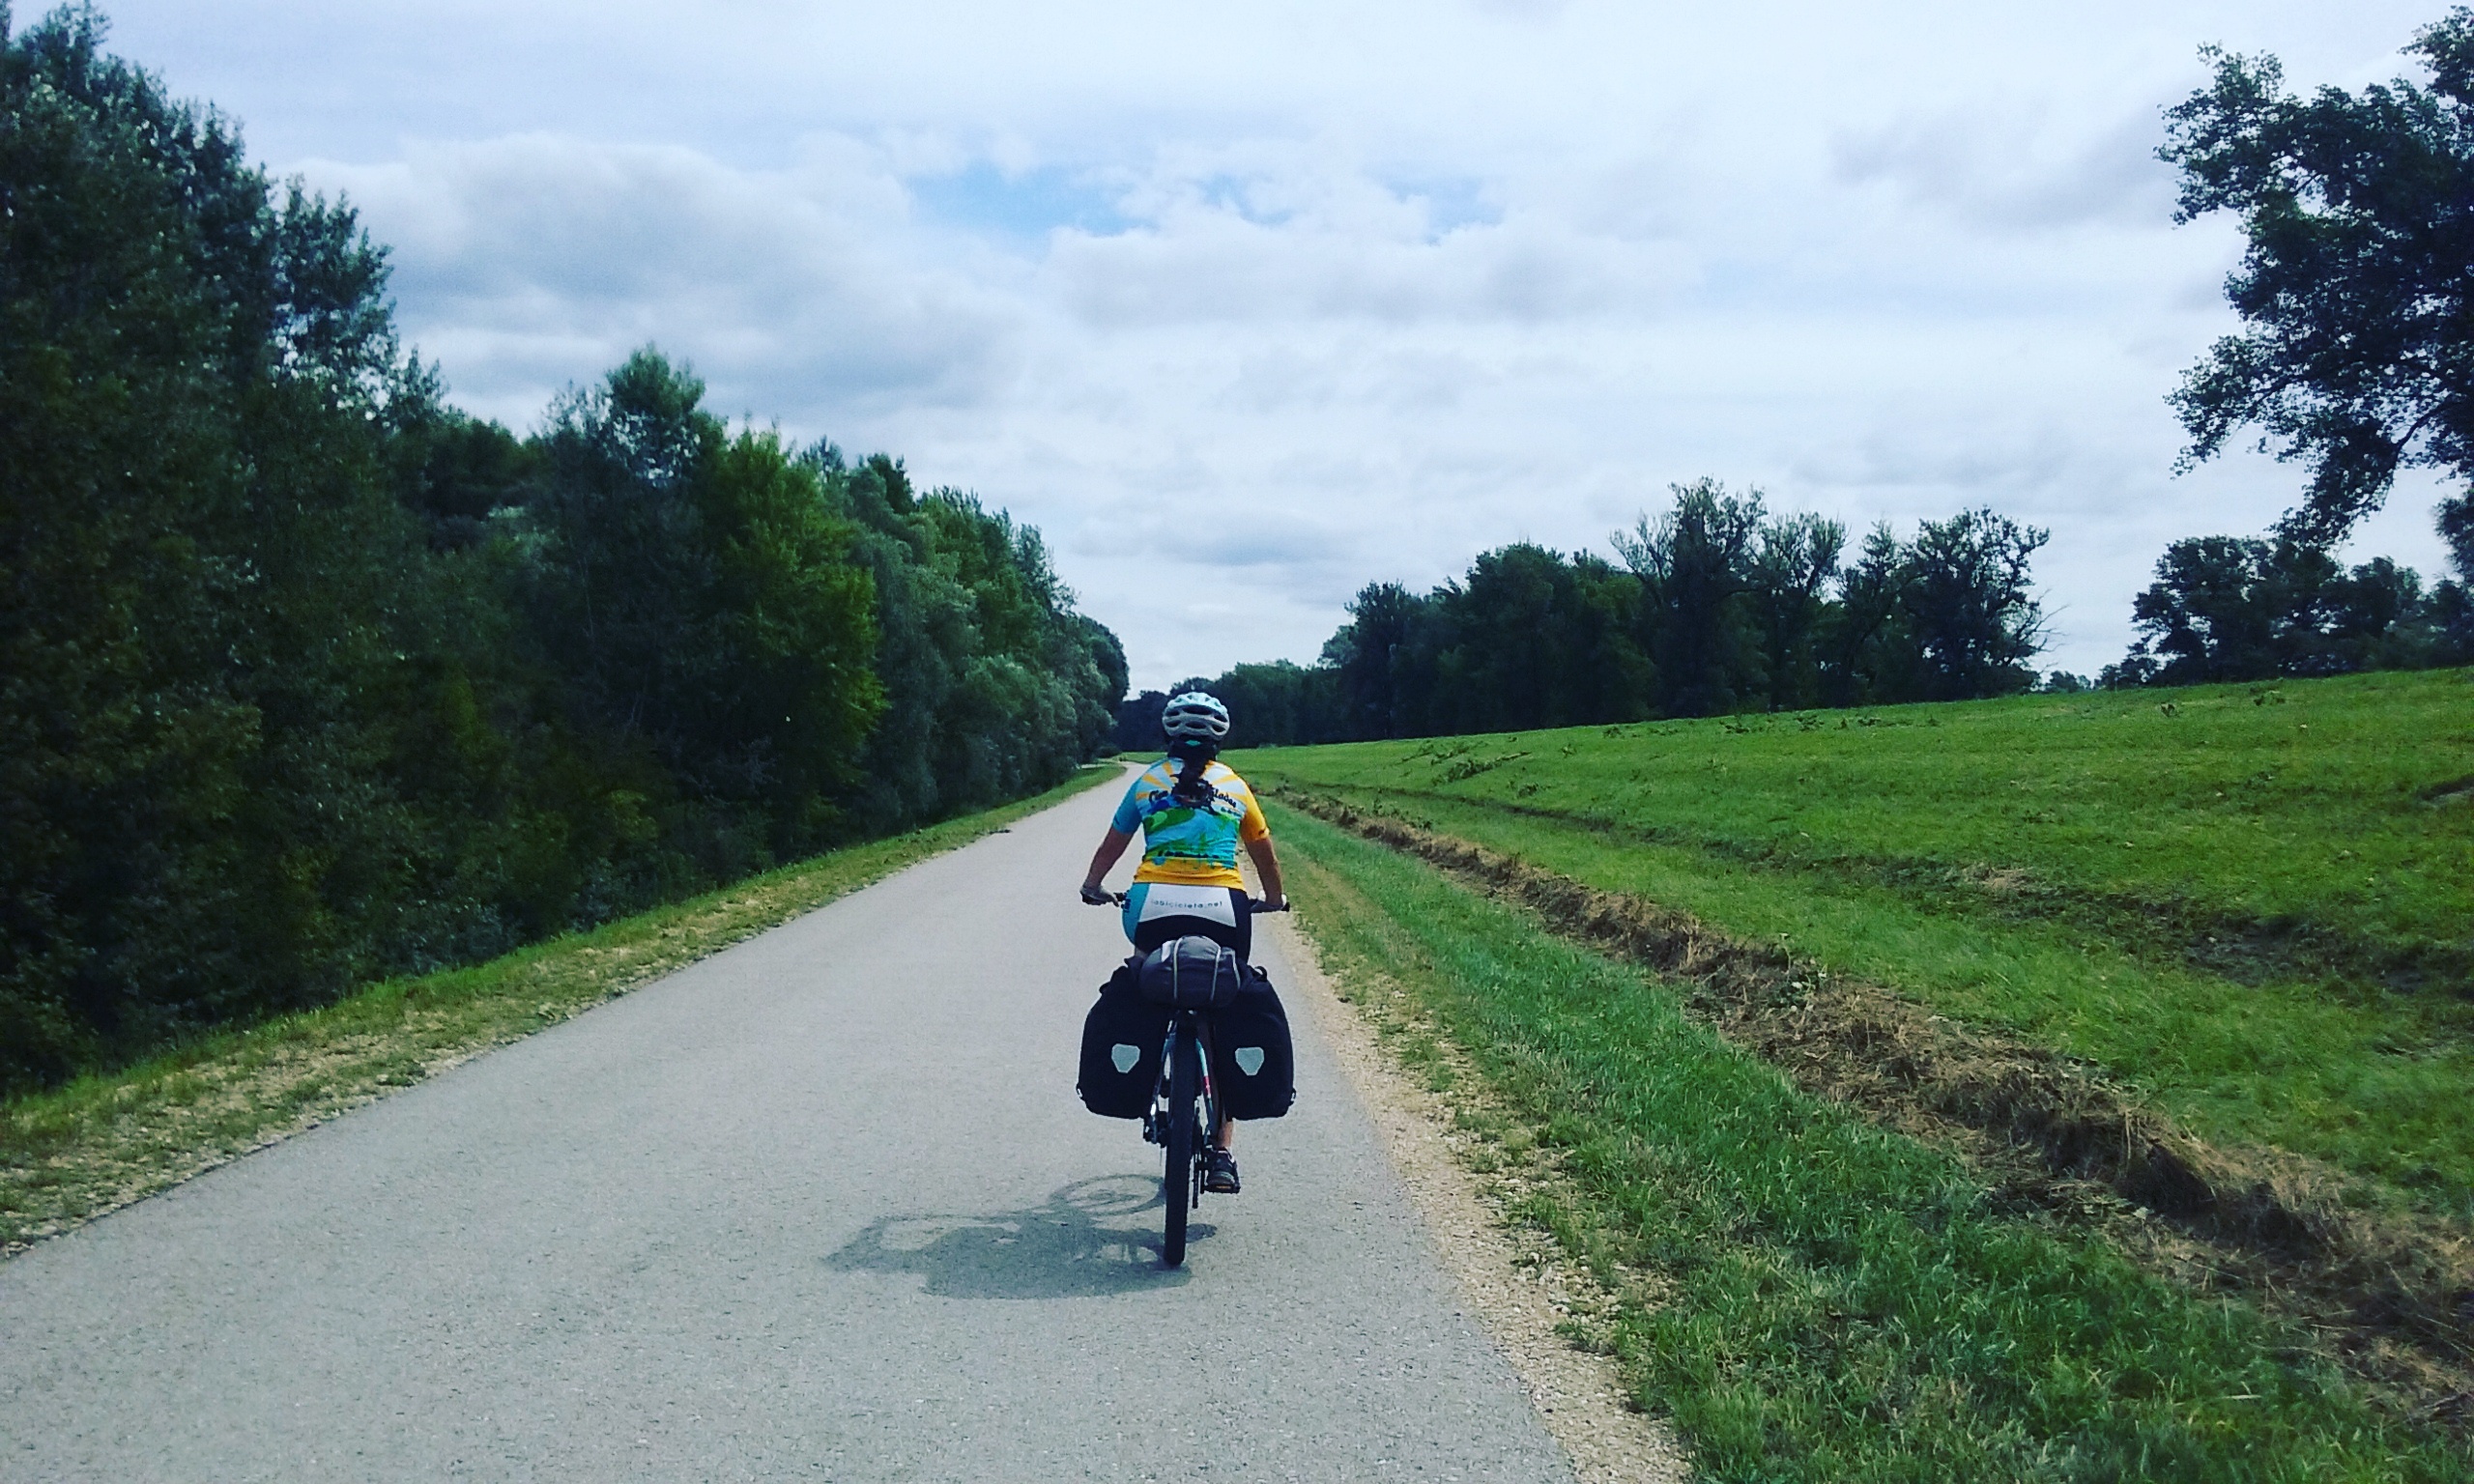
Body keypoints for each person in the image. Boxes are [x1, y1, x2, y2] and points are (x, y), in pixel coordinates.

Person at [1079, 690, 1285, 1194]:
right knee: (1223, 1008)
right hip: (1225, 909)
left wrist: (1092, 885)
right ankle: (1222, 1153)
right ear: (1219, 739)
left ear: (1168, 734)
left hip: (1151, 905)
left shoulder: (1148, 782)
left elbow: (1112, 845)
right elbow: (1264, 853)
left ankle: (1149, 1065)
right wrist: (1273, 899)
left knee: (1147, 984)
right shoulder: (1234, 785)